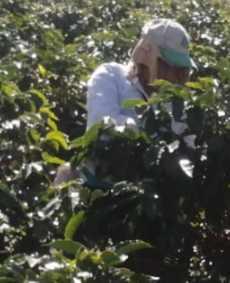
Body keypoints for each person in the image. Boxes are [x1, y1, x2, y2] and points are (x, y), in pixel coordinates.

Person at [56, 18, 196, 186]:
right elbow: (102, 128)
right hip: (95, 191)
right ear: (150, 57)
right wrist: (151, 135)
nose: (179, 75)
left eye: (182, 69)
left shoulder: (177, 102)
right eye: (174, 66)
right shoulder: (110, 76)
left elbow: (187, 147)